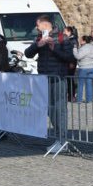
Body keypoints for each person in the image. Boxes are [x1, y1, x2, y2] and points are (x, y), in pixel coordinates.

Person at [24, 15, 74, 147]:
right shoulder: (39, 38)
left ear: (45, 25)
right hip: (44, 79)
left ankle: (62, 141)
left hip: (58, 78)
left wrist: (54, 49)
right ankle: (58, 138)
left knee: (59, 109)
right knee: (50, 109)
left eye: (37, 25)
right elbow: (27, 53)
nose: (36, 28)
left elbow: (70, 58)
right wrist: (37, 45)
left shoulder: (63, 38)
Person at [73, 34, 93, 103]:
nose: (79, 41)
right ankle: (89, 99)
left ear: (84, 41)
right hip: (92, 67)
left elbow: (78, 56)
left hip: (84, 67)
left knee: (80, 84)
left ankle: (79, 99)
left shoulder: (84, 48)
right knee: (89, 83)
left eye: (81, 40)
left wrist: (75, 49)